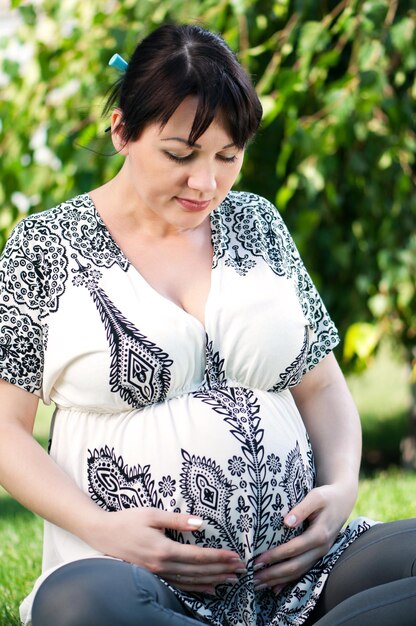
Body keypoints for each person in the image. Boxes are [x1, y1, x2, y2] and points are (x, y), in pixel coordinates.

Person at [0, 22, 414, 626]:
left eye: (228, 156)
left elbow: (322, 385)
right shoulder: (46, 246)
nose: (207, 183)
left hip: (303, 574)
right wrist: (106, 530)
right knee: (80, 608)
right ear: (122, 131)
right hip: (136, 577)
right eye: (180, 154)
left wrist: (341, 491)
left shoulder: (258, 224)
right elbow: (6, 431)